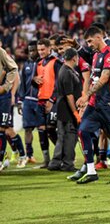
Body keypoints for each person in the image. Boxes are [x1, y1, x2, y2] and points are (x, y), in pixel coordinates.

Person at [74, 26, 110, 184]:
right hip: (95, 104)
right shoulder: (96, 56)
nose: (89, 44)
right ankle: (90, 170)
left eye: (90, 41)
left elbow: (104, 78)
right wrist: (87, 98)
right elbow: (94, 79)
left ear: (98, 37)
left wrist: (85, 95)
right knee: (83, 131)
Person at [48, 48, 82, 171]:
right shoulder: (67, 72)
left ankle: (55, 163)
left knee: (62, 136)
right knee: (70, 136)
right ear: (74, 58)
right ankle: (68, 164)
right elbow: (69, 95)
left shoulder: (65, 70)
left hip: (62, 108)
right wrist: (75, 112)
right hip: (67, 109)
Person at [32, 38, 62, 168]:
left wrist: (52, 100)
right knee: (42, 130)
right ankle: (46, 160)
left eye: (43, 49)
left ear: (50, 48)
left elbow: (60, 83)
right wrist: (34, 79)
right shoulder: (38, 63)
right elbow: (34, 83)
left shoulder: (56, 63)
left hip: (53, 101)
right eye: (39, 50)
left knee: (51, 129)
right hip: (40, 100)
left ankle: (62, 156)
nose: (40, 52)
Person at [0, 44, 26, 170]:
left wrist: (13, 95)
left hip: (5, 98)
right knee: (6, 130)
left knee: (7, 129)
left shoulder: (7, 63)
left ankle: (22, 155)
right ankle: (7, 155)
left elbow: (16, 78)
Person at [18, 41, 40, 164]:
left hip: (40, 101)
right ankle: (29, 155)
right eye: (30, 50)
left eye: (34, 50)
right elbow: (22, 85)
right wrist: (20, 101)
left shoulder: (43, 64)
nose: (32, 53)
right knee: (27, 129)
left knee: (45, 129)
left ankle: (48, 156)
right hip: (28, 101)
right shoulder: (26, 65)